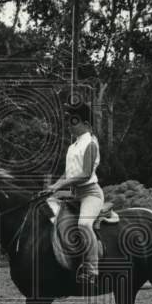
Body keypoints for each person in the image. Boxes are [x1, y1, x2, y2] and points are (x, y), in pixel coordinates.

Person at [40, 100, 103, 287]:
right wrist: (53, 187)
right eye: (68, 121)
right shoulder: (73, 146)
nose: (69, 125)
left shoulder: (90, 143)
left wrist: (59, 186)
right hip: (74, 194)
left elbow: (84, 175)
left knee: (84, 224)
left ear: (87, 124)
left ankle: (92, 270)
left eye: (73, 121)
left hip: (90, 194)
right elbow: (68, 173)